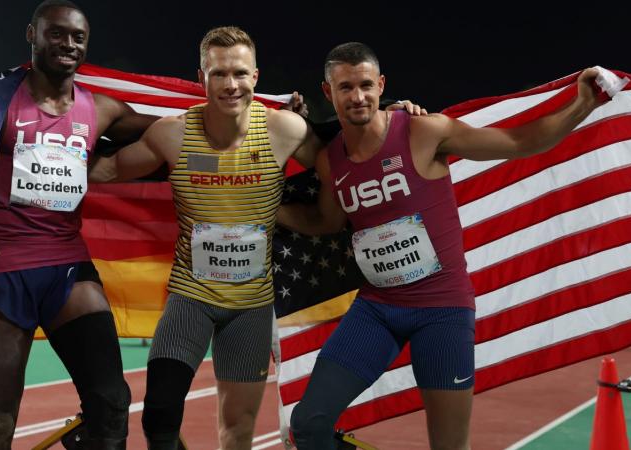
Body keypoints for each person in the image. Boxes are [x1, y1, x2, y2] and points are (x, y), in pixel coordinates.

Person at [90, 27, 422, 450]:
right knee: (159, 413)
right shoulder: (172, 134)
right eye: (220, 74)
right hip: (191, 297)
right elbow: (108, 170)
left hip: (251, 307)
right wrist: (40, 155)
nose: (231, 85)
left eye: (241, 74)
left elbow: (346, 152)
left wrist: (395, 117)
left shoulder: (284, 129)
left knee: (237, 428)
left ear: (256, 76)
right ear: (202, 77)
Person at [277, 42, 608, 450]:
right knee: (308, 424)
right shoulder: (331, 161)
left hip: (442, 311)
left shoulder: (423, 131)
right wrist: (269, 208)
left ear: (381, 85)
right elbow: (326, 221)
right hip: (378, 308)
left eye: (365, 85)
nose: (357, 96)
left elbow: (520, 142)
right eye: (345, 87)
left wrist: (583, 104)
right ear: (328, 92)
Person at [0, 1, 158, 448]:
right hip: (3, 270)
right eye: (57, 33)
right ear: (32, 34)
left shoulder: (101, 110)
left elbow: (179, 131)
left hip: (66, 265)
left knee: (110, 400)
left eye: (78, 37)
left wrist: (270, 112)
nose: (68, 43)